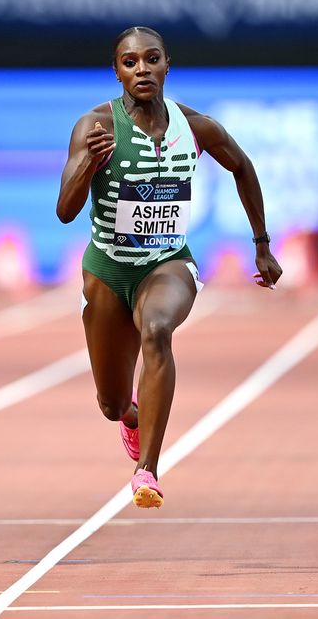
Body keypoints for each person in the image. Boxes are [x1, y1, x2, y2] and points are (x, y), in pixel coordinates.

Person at [57, 27, 283, 508]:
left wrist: (261, 244)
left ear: (166, 65)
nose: (142, 69)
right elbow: (64, 211)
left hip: (168, 262)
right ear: (117, 71)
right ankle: (133, 418)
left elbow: (242, 166)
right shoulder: (95, 126)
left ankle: (147, 472)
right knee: (111, 403)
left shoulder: (196, 127)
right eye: (130, 62)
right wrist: (87, 167)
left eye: (151, 59)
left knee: (156, 329)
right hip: (106, 270)